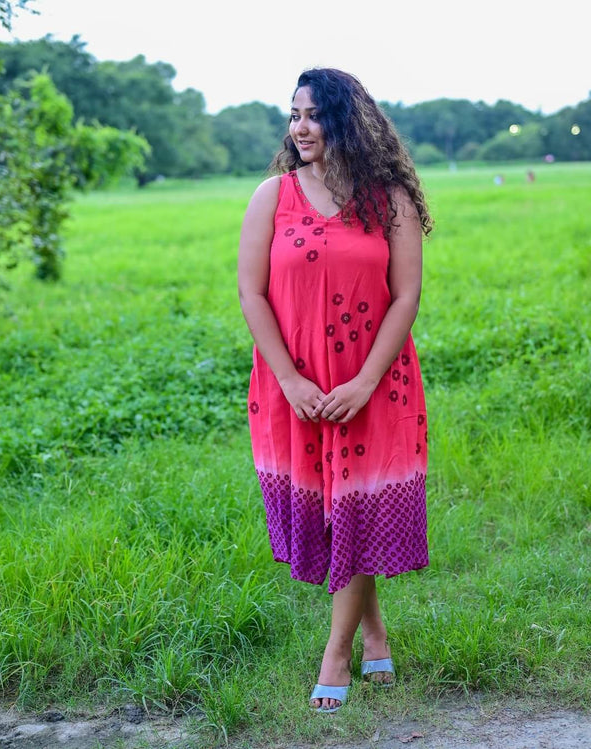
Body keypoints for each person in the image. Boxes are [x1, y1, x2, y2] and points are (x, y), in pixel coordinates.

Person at [237, 68, 433, 713]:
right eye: (294, 114)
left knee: (357, 511)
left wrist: (365, 381)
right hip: (293, 386)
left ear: (349, 122)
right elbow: (252, 293)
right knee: (331, 514)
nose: (299, 127)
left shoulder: (391, 199)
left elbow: (406, 296)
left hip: (375, 383)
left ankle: (338, 652)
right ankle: (374, 630)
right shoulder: (273, 195)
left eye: (315, 115)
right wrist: (291, 379)